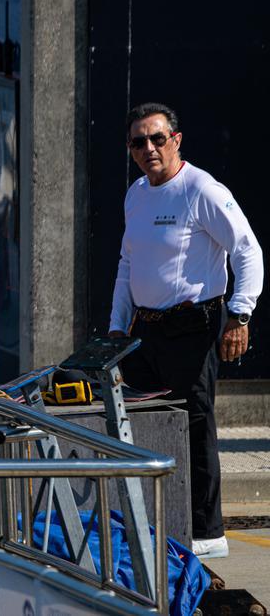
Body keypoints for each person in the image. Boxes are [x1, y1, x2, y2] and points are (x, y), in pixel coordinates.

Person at [108, 102, 263, 560]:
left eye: (158, 138)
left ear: (177, 140)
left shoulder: (202, 189)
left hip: (194, 328)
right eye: (139, 141)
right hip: (145, 332)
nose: (149, 148)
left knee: (195, 430)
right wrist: (117, 328)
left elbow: (248, 251)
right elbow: (127, 264)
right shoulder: (136, 193)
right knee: (143, 428)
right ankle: (158, 527)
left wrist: (240, 315)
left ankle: (206, 538)